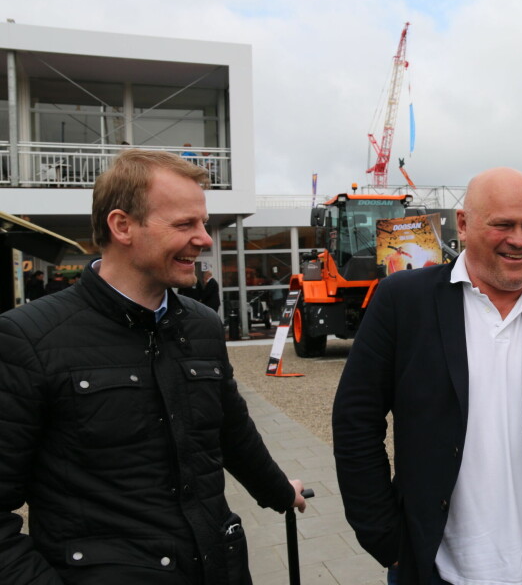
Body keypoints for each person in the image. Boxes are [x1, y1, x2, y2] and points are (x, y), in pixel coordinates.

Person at [0, 148, 306, 584]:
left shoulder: (201, 325)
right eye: (185, 224)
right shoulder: (28, 338)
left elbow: (231, 431)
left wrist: (279, 491)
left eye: (202, 223)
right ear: (122, 225)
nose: (205, 239)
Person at [332, 167, 522, 585]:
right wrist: (386, 538)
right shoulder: (403, 302)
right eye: (503, 225)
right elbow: (355, 421)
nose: (519, 239)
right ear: (463, 224)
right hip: (436, 570)